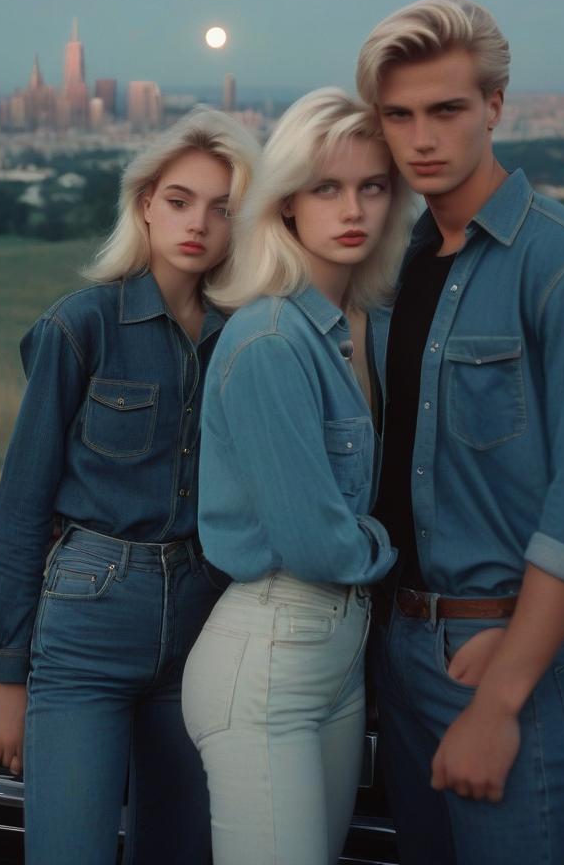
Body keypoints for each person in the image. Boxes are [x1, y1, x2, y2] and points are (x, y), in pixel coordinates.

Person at [355, 0, 564, 865]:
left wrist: (500, 697)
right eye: (398, 117)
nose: (421, 138)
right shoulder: (401, 262)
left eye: (446, 110)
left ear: (495, 107)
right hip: (395, 644)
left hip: (494, 652)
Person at [0, 107, 259, 865]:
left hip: (204, 620)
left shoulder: (246, 335)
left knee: (182, 852)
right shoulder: (82, 326)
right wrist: (10, 676)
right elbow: (21, 505)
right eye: (178, 200)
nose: (197, 223)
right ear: (144, 204)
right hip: (90, 616)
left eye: (222, 207)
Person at [180, 88, 412, 865]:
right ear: (285, 205)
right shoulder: (270, 340)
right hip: (269, 657)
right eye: (326, 188)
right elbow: (318, 543)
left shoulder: (367, 324)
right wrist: (395, 544)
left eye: (371, 186)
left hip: (338, 658)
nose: (353, 208)